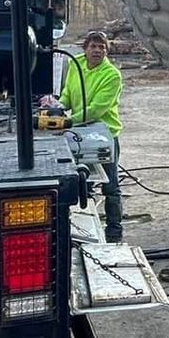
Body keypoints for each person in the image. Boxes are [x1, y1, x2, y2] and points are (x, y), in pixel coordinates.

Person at [59, 29, 125, 241]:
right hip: (80, 133)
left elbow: (97, 108)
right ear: (85, 48)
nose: (97, 50)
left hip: (103, 134)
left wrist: (68, 120)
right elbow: (68, 94)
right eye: (93, 46)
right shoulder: (74, 65)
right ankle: (83, 231)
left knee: (110, 186)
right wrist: (58, 107)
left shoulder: (112, 75)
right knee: (83, 183)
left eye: (102, 47)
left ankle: (114, 232)